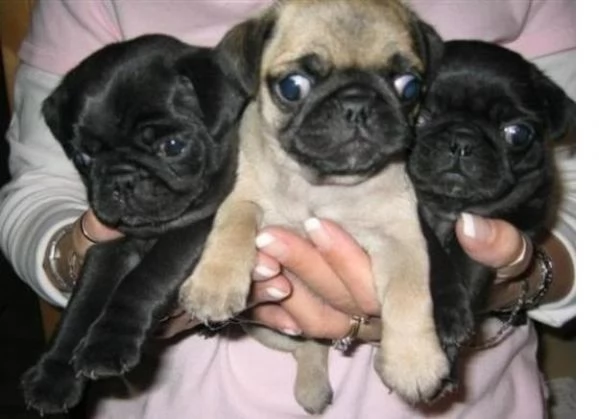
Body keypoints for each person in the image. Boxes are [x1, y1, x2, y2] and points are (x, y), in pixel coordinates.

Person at [0, 1, 575, 418]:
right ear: (247, 80)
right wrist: (84, 261)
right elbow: (37, 188)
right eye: (296, 85)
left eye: (401, 86)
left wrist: (521, 276)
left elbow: (576, 173)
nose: (354, 113)